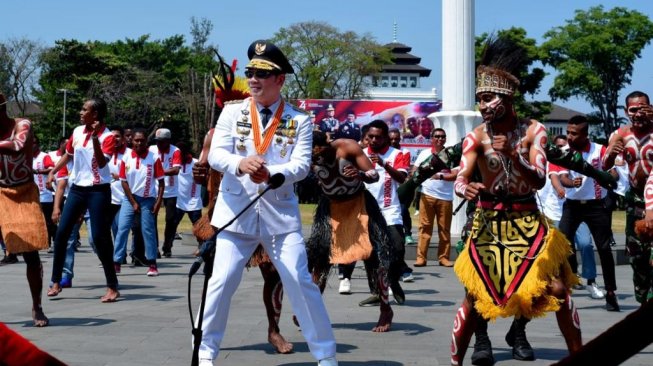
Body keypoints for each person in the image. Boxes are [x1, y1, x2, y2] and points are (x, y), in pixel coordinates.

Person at [198, 39, 337, 366]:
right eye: (250, 72)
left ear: (280, 80)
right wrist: (239, 164)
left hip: (279, 219)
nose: (254, 79)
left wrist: (271, 173)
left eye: (263, 73)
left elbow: (301, 166)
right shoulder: (232, 112)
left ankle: (326, 356)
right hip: (236, 216)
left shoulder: (299, 120)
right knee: (220, 283)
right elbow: (217, 154)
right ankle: (205, 354)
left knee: (301, 283)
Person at [449, 38, 581, 365]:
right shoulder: (476, 137)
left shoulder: (533, 131)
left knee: (556, 290)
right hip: (486, 222)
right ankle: (481, 342)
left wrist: (514, 156)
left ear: (507, 98)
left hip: (528, 222)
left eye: (489, 98)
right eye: (479, 99)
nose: (483, 106)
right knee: (476, 291)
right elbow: (463, 175)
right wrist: (463, 187)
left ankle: (519, 332)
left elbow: (537, 178)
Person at [308, 130, 395, 331]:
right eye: (316, 156)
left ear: (329, 143)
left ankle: (385, 309)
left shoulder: (347, 147)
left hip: (359, 206)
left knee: (377, 257)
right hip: (331, 209)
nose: (319, 158)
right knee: (320, 262)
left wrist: (361, 174)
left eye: (322, 154)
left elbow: (374, 175)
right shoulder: (305, 154)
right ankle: (310, 310)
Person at [46, 97, 120, 303]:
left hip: (98, 190)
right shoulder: (78, 131)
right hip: (77, 188)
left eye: (84, 109)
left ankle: (112, 286)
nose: (80, 112)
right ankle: (55, 281)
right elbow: (68, 154)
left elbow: (102, 162)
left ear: (95, 114)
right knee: (61, 234)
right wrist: (53, 170)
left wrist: (96, 138)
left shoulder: (108, 136)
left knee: (99, 237)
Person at [556, 115, 619, 311]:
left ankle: (610, 292)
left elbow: (614, 173)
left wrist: (604, 176)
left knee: (604, 248)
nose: (569, 136)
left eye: (573, 133)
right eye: (567, 132)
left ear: (585, 134)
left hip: (595, 206)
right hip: (572, 206)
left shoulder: (599, 150)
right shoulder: (564, 152)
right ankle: (562, 291)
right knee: (561, 246)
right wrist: (569, 183)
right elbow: (563, 177)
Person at [0, 91, 50, 326]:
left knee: (31, 254)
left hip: (24, 193)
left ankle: (37, 306)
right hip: (0, 192)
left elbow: (18, 146)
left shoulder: (22, 125)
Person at [604, 90, 653, 306]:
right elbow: (605, 166)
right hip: (634, 202)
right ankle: (643, 302)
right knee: (638, 258)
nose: (638, 113)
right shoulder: (621, 134)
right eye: (634, 109)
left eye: (643, 108)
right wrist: (612, 154)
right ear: (626, 112)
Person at [544, 135, 603, 299]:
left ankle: (591, 281)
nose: (564, 148)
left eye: (565, 144)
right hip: (554, 213)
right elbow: (555, 177)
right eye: (560, 146)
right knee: (561, 250)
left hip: (575, 209)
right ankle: (562, 281)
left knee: (585, 244)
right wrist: (559, 189)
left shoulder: (576, 158)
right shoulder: (555, 160)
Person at [364, 120, 413, 288]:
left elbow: (401, 178)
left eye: (378, 137)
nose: (374, 140)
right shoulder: (360, 154)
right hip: (366, 210)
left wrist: (383, 164)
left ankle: (392, 279)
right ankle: (376, 288)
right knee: (370, 252)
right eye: (370, 137)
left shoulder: (397, 154)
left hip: (390, 208)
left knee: (398, 247)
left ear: (385, 138)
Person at [114, 129, 165, 276]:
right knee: (122, 228)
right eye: (136, 140)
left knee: (147, 230)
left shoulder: (153, 158)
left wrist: (158, 202)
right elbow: (123, 182)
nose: (139, 143)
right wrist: (132, 202)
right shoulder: (126, 157)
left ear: (146, 142)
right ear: (132, 141)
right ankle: (117, 262)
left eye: (142, 140)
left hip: (147, 199)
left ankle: (152, 263)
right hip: (129, 198)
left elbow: (161, 183)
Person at [413, 128, 458, 267]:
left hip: (446, 197)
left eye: (442, 136)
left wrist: (440, 176)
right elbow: (415, 171)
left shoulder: (451, 154)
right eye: (437, 136)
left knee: (444, 229)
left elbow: (456, 174)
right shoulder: (425, 154)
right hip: (427, 195)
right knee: (424, 227)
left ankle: (443, 258)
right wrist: (419, 178)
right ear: (431, 138)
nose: (440, 139)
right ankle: (421, 258)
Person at [150, 127, 181, 258]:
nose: (159, 143)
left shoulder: (175, 151)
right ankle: (154, 247)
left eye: (162, 141)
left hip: (171, 190)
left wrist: (158, 172)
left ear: (168, 141)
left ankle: (167, 247)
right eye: (157, 141)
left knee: (170, 220)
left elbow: (175, 170)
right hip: (154, 190)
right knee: (152, 218)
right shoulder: (151, 150)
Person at [389, 128, 415, 245]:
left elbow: (402, 169)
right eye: (391, 139)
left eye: (396, 139)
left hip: (402, 186)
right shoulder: (385, 153)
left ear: (400, 139)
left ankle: (408, 233)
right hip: (388, 186)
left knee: (403, 209)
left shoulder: (405, 152)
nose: (394, 141)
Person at [32, 136, 56, 247]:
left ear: (38, 145)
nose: (32, 145)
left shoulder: (44, 156)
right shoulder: (26, 157)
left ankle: (54, 241)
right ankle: (42, 241)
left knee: (48, 221)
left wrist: (38, 171)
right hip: (32, 195)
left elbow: (51, 169)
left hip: (45, 194)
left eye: (34, 143)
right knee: (35, 221)